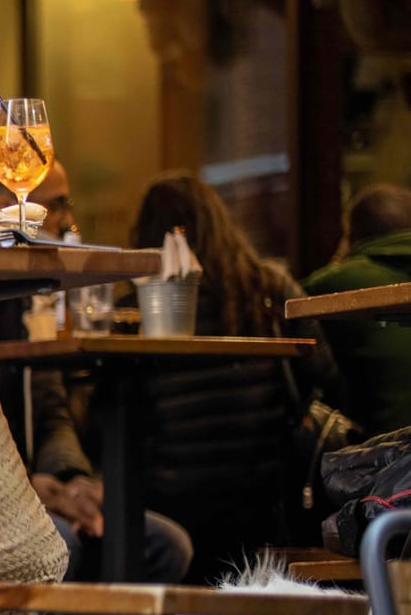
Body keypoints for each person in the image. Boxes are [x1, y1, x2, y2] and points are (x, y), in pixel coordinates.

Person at [0, 160, 194, 615]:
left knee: (159, 544)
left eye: (60, 204)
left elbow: (54, 408)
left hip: (39, 491)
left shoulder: (40, 301)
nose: (63, 219)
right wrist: (29, 485)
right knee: (57, 539)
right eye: (52, 206)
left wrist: (74, 475)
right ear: (4, 215)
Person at [127, 173, 339, 582]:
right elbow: (329, 378)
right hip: (263, 498)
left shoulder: (137, 307)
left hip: (171, 507)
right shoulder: (268, 288)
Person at [303, 182, 411, 435]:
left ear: (351, 235)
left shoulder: (344, 279)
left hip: (388, 460)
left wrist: (339, 261)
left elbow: (285, 306)